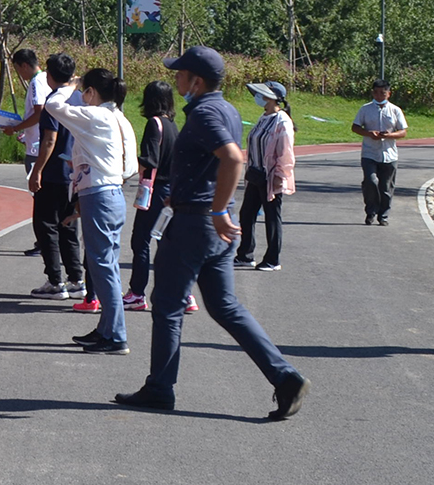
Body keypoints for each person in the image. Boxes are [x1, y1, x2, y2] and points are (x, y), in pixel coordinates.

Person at [115, 46, 309, 420]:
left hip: (196, 223)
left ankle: (159, 388)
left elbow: (234, 158)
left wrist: (216, 208)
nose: (176, 79)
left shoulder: (204, 112)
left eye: (180, 73)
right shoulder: (227, 109)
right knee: (224, 306)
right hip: (211, 223)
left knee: (168, 305)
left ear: (196, 80)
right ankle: (285, 378)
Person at [48, 68, 139, 354]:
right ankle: (106, 330)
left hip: (98, 195)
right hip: (111, 193)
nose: (81, 97)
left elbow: (52, 106)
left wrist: (69, 85)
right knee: (106, 267)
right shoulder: (119, 118)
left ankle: (115, 336)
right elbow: (130, 167)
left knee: (103, 270)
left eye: (84, 91)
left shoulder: (96, 115)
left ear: (91, 92)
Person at [26, 53, 85, 300]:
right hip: (77, 173)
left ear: (49, 75)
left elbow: (49, 140)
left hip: (54, 173)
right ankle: (76, 279)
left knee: (46, 225)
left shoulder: (53, 102)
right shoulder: (81, 99)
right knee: (69, 226)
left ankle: (55, 280)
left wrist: (37, 170)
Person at [125, 80, 178, 310]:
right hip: (171, 190)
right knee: (170, 244)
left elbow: (150, 159)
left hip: (154, 190)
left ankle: (137, 292)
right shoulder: (173, 125)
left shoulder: (153, 124)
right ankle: (183, 293)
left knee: (141, 242)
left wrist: (129, 165)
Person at [235, 81, 296, 271]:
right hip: (256, 175)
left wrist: (280, 175)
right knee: (246, 214)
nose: (258, 97)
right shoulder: (264, 117)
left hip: (271, 177)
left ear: (272, 97)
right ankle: (245, 254)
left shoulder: (282, 121)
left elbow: (286, 152)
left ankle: (272, 259)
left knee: (272, 217)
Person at [5, 48, 51, 256]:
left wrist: (16, 127)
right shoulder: (46, 81)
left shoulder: (36, 83)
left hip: (37, 148)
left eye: (18, 70)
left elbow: (39, 113)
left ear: (24, 65)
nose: (19, 75)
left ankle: (43, 242)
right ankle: (45, 241)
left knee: (39, 197)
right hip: (36, 142)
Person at [352, 79, 407, 226]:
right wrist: (369, 133)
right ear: (372, 93)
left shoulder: (395, 110)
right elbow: (355, 127)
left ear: (389, 94)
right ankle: (371, 211)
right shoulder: (365, 109)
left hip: (389, 154)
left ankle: (383, 216)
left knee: (386, 187)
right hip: (369, 153)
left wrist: (389, 135)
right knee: (370, 181)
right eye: (376, 93)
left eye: (382, 93)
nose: (379, 96)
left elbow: (403, 132)